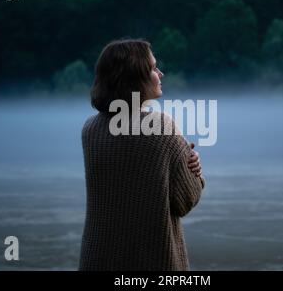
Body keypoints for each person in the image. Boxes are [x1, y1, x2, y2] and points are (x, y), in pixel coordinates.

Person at [79, 38, 205, 271]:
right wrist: (195, 169)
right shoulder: (161, 126)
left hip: (96, 260)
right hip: (153, 262)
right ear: (136, 77)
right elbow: (186, 200)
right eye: (153, 68)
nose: (161, 73)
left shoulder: (90, 129)